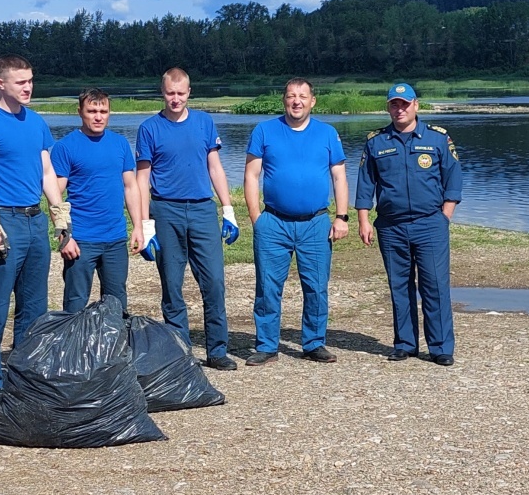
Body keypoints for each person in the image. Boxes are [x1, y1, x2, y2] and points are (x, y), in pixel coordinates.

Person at [0, 54, 60, 402]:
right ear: (1, 83)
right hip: (4, 219)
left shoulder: (36, 122)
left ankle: (25, 373)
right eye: (20, 82)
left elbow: (47, 172)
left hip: (35, 219)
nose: (28, 87)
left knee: (34, 305)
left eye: (31, 80)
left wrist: (59, 217)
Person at [135, 68, 238, 371]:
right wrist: (144, 224)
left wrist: (228, 208)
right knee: (172, 284)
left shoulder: (204, 122)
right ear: (162, 92)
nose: (175, 99)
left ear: (189, 92)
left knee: (215, 282)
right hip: (166, 210)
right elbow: (142, 179)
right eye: (170, 93)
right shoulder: (149, 128)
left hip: (203, 209)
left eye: (181, 93)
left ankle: (217, 349)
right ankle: (180, 353)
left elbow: (215, 167)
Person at [355, 82, 464, 366]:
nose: (399, 109)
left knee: (435, 285)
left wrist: (445, 216)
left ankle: (440, 347)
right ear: (388, 107)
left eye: (405, 103)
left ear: (416, 105)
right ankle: (405, 343)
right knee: (399, 286)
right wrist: (363, 220)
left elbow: (453, 179)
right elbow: (365, 184)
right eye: (394, 104)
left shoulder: (438, 139)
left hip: (430, 225)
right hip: (391, 226)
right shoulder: (376, 142)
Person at [243, 77, 349, 365]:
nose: (297, 101)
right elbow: (251, 176)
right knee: (267, 286)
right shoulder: (265, 130)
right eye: (291, 96)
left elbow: (339, 176)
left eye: (302, 96)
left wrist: (341, 216)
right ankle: (266, 345)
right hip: (273, 222)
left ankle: (314, 342)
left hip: (316, 223)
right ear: (284, 100)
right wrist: (257, 219)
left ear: (313, 101)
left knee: (316, 286)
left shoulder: (327, 133)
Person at [50, 89, 140, 313]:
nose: (98, 116)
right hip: (81, 239)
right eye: (92, 111)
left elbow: (131, 187)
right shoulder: (65, 147)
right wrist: (64, 236)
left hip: (115, 238)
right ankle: (71, 347)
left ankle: (113, 346)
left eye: (103, 111)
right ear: (80, 112)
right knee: (75, 301)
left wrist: (139, 226)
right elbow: (54, 196)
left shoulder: (120, 144)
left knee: (116, 301)